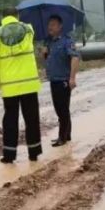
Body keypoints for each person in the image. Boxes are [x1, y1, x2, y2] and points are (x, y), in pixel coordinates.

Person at [0, 8, 42, 163]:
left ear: (2, 17)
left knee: (10, 120)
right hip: (29, 84)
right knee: (32, 119)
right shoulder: (28, 30)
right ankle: (34, 152)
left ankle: (9, 155)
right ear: (17, 16)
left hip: (9, 87)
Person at [41, 13, 80, 147]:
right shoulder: (48, 42)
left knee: (62, 110)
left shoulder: (67, 41)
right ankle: (66, 135)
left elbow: (75, 58)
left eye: (53, 25)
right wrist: (44, 54)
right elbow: (48, 60)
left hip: (63, 80)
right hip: (53, 80)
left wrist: (72, 78)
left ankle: (62, 137)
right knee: (60, 109)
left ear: (60, 26)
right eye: (49, 25)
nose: (50, 27)